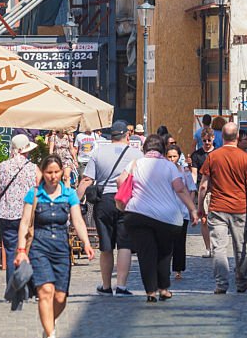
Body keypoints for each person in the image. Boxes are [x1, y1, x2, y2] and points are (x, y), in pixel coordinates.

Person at [15, 155, 94, 338]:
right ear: (43, 172)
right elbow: (24, 223)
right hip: (39, 247)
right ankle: (50, 334)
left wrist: (85, 242)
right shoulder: (33, 194)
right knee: (45, 292)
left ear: (61, 172)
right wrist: (21, 250)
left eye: (56, 172)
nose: (52, 176)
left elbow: (77, 221)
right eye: (49, 172)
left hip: (61, 248)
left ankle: (49, 321)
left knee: (60, 297)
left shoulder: (69, 194)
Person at [119, 136, 199, 302]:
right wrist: (193, 209)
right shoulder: (170, 166)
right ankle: (163, 288)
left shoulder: (135, 163)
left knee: (145, 253)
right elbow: (181, 189)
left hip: (138, 214)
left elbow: (120, 181)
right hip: (167, 218)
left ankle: (150, 292)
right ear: (162, 149)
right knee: (164, 253)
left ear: (144, 149)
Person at [76, 120, 142, 296]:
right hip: (127, 201)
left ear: (111, 135)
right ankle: (121, 286)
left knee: (106, 245)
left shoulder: (98, 152)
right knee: (125, 244)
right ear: (127, 135)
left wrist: (74, 203)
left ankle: (106, 286)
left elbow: (87, 180)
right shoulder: (137, 154)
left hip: (104, 200)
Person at [198, 122, 247, 294]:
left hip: (217, 207)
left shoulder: (213, 156)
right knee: (241, 246)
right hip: (239, 208)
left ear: (222, 137)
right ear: (238, 136)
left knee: (219, 247)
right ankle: (242, 282)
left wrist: (199, 207)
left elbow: (203, 186)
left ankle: (221, 284)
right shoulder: (244, 158)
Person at [0, 133, 39, 283]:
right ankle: (26, 285)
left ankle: (12, 287)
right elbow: (40, 191)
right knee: (26, 249)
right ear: (26, 151)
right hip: (27, 215)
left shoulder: (2, 167)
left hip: (6, 214)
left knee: (10, 252)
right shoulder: (33, 169)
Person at [164, 143, 196, 280]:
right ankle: (164, 267)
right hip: (165, 212)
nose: (172, 159)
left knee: (179, 241)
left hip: (181, 211)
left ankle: (178, 269)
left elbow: (191, 189)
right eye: (169, 156)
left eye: (174, 156)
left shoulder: (184, 172)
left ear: (179, 157)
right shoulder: (162, 172)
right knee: (165, 242)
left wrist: (190, 206)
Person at [190, 127, 217, 257]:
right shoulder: (197, 155)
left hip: (216, 189)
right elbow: (194, 174)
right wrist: (193, 187)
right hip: (203, 189)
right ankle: (208, 248)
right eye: (204, 140)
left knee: (217, 219)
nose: (207, 143)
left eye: (209, 140)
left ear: (213, 139)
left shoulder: (218, 153)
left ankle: (216, 246)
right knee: (204, 220)